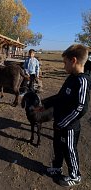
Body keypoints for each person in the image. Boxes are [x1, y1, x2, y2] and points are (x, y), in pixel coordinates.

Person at [42, 44, 91, 187]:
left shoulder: (82, 81)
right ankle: (57, 167)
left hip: (69, 127)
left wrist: (63, 123)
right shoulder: (71, 77)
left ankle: (75, 176)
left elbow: (80, 108)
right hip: (59, 123)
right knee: (57, 147)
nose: (63, 66)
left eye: (65, 62)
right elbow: (60, 97)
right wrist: (43, 105)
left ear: (73, 60)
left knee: (69, 151)